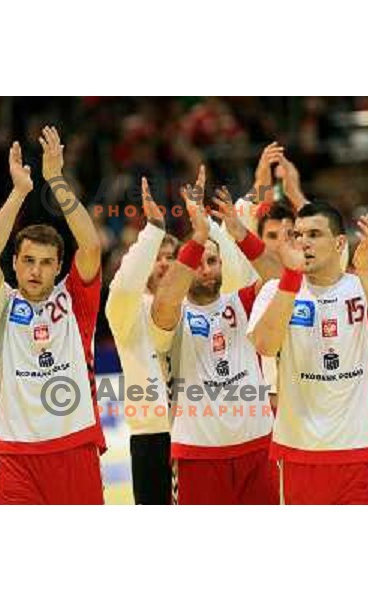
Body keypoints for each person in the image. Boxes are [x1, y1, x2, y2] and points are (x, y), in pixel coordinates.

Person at [0, 126, 105, 504]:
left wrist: (56, 181)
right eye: (28, 260)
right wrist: (19, 193)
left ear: (59, 267)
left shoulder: (76, 302)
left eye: (47, 263)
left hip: (76, 446)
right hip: (16, 456)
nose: (36, 270)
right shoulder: (1, 306)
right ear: (14, 263)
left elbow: (92, 245)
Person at [248, 202, 368, 504]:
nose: (303, 242)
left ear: (339, 243)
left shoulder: (363, 286)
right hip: (299, 451)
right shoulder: (275, 290)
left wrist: (366, 271)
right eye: (298, 235)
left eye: (314, 234)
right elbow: (265, 346)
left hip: (362, 449)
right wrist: (291, 278)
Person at [150, 168, 280, 504]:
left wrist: (238, 232)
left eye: (213, 260)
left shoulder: (242, 302)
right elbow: (164, 302)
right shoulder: (172, 316)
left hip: (258, 448)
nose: (206, 269)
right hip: (198, 455)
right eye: (198, 262)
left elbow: (282, 280)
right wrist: (198, 236)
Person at [106, 177, 178, 504]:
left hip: (202, 431)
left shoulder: (196, 306)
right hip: (151, 434)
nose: (164, 262)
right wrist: (153, 231)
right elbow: (122, 287)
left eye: (172, 257)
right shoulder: (128, 312)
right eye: (157, 256)